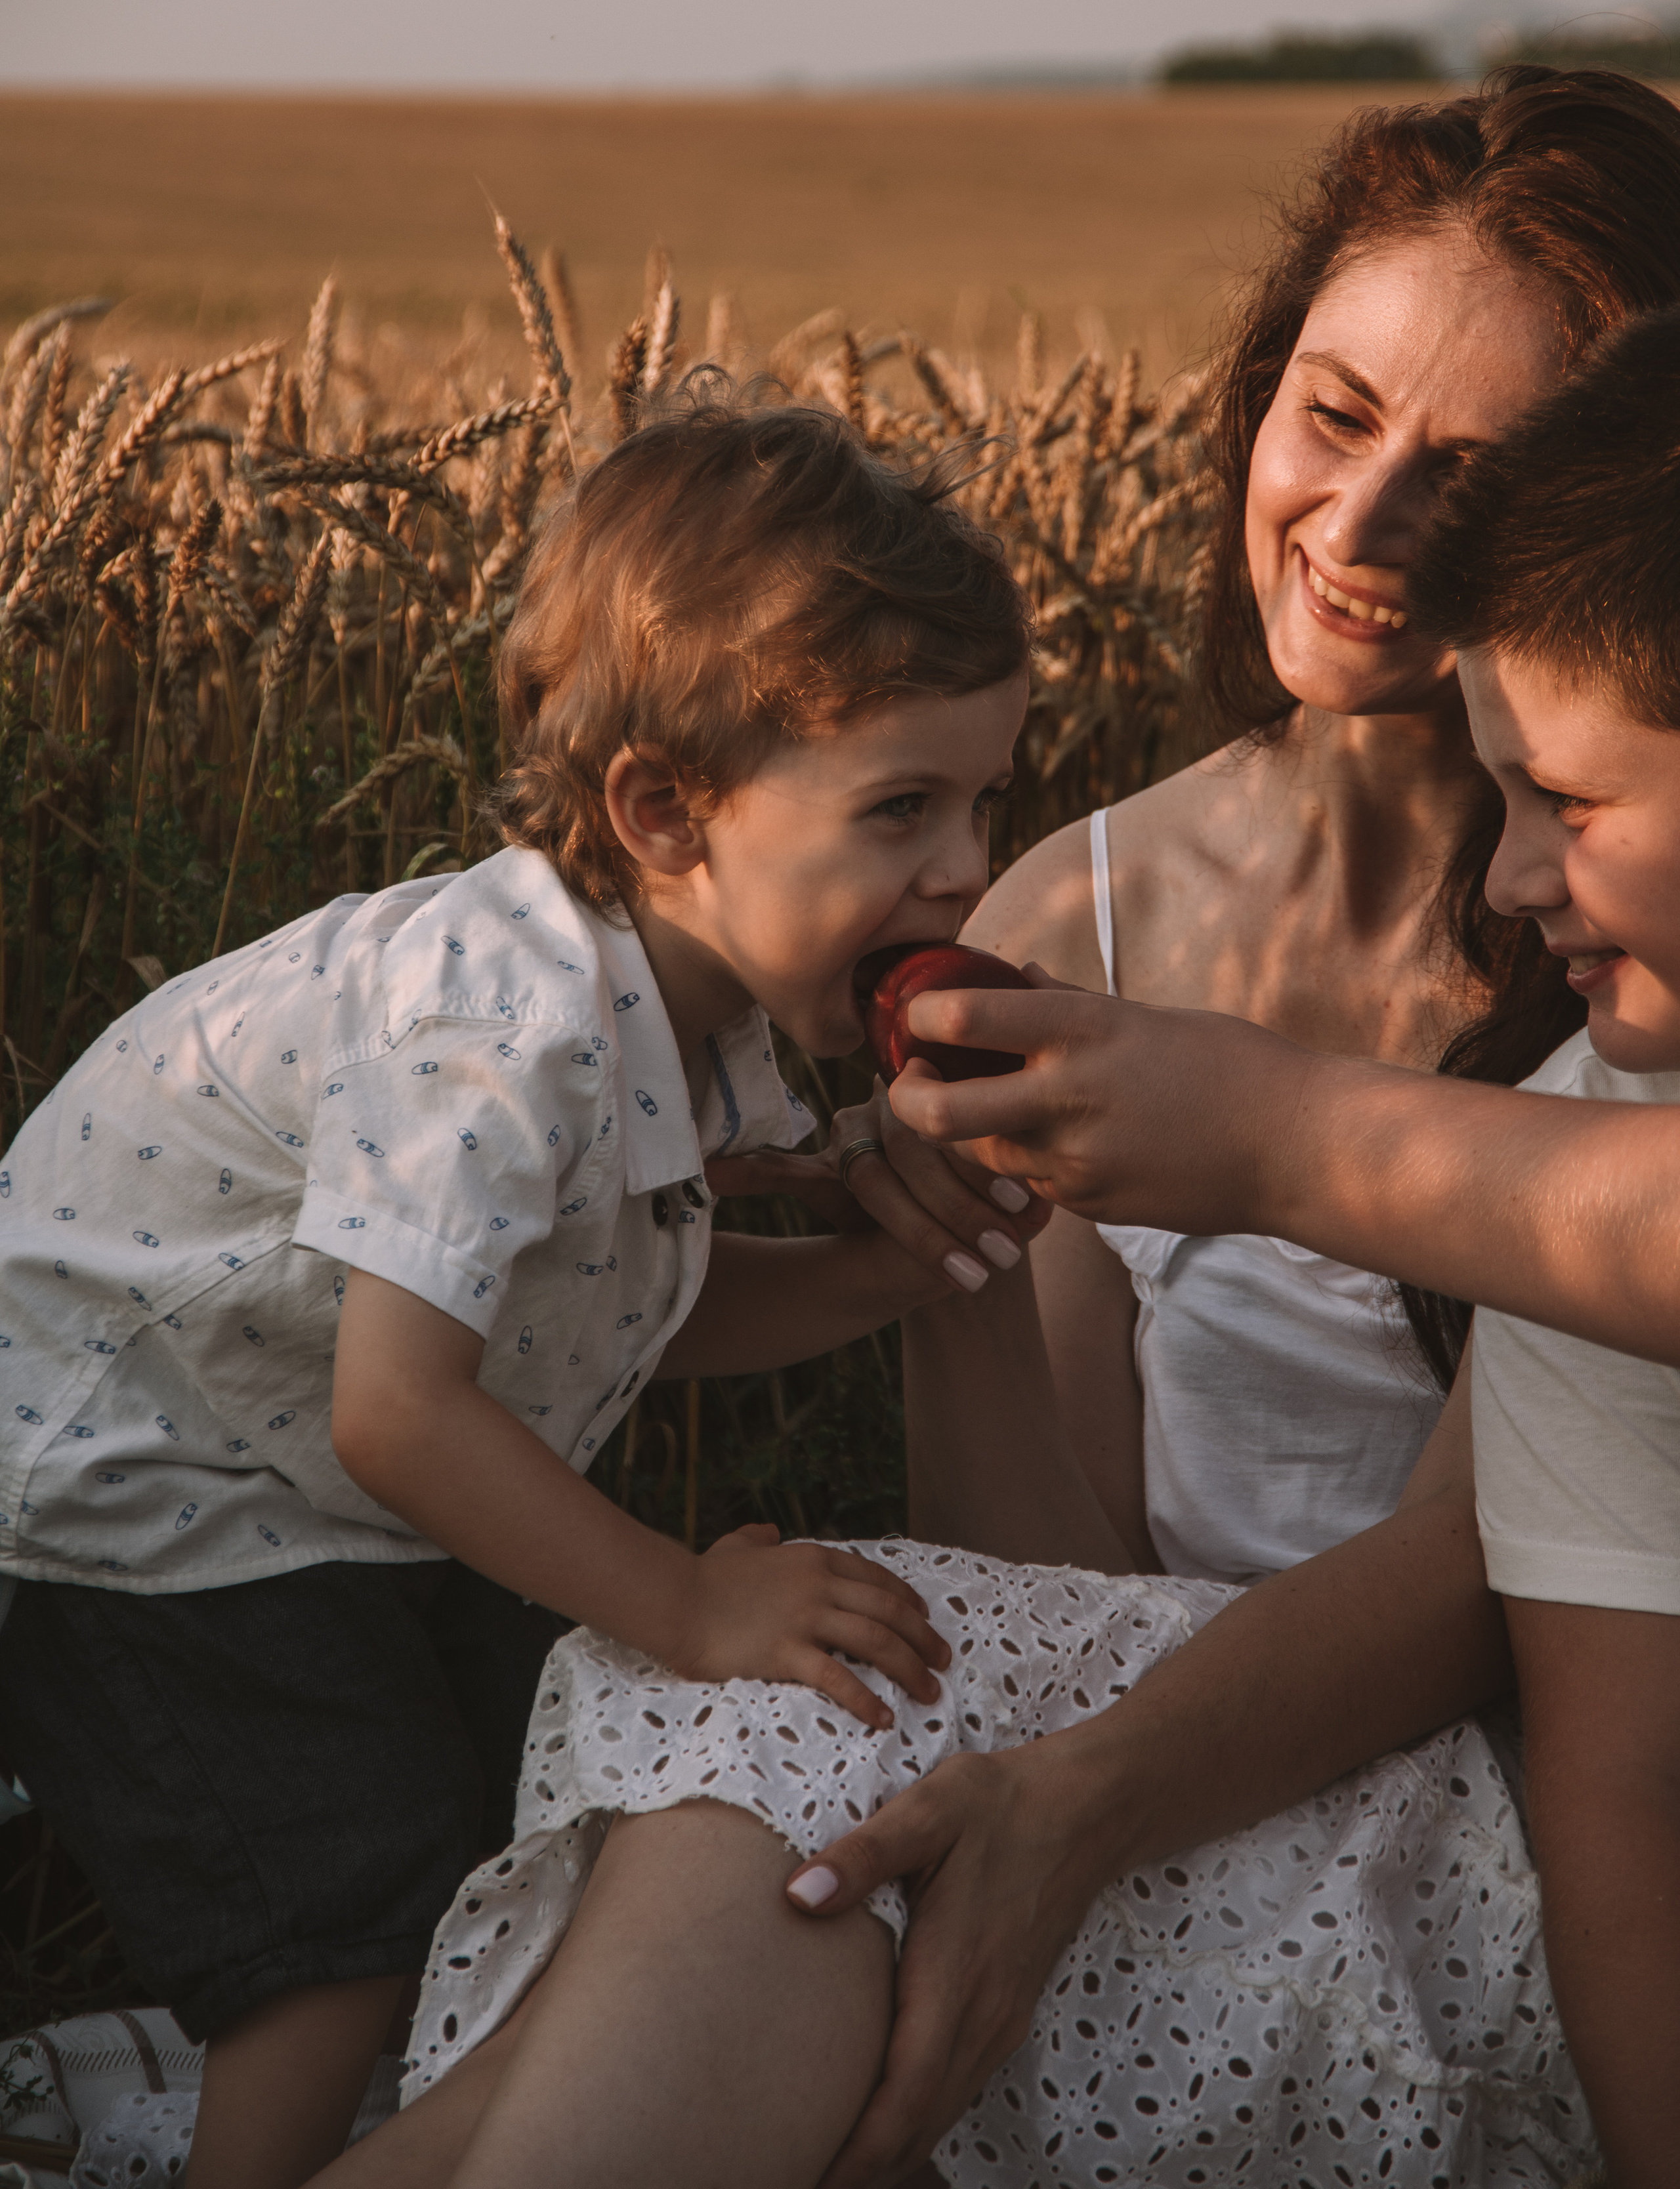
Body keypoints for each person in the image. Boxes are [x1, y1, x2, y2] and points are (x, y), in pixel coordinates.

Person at [304, 75, 1680, 2189]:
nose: (1369, 526)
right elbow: (1049, 1582)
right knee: (808, 1777)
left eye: (1477, 477)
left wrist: (1067, 1797)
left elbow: (1490, 1593)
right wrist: (931, 1264)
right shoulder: (1067, 910)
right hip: (1131, 1720)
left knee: (781, 1815)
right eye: (1332, 414)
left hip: (1444, 1798)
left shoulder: (1625, 969)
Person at [0, 397, 1050, 2189]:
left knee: (520, 1837)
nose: (960, 867)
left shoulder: (699, 1021)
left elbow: (627, 1316)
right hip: (146, 1476)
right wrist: (692, 1611)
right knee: (343, 1933)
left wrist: (890, 1262)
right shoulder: (507, 1024)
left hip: (299, 1480)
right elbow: (399, 1409)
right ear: (662, 811)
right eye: (901, 808)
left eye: (980, 802)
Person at [1404, 305, 1680, 2189]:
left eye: (1568, 803)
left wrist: (1274, 1141)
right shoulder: (1587, 1117)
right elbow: (1623, 1794)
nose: (1509, 876)